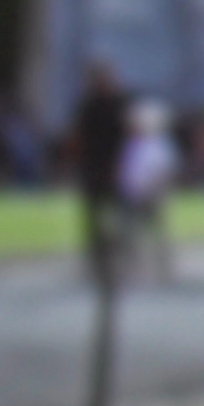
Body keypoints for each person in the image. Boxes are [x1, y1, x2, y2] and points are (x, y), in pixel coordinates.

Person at [71, 62, 130, 282]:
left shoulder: (114, 104)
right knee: (96, 215)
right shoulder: (91, 105)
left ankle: (117, 251)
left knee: (117, 213)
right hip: (95, 168)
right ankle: (99, 255)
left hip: (110, 168)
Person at [117, 99, 179, 282]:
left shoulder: (158, 144)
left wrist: (153, 189)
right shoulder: (132, 144)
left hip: (153, 195)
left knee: (158, 233)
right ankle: (134, 268)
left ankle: (164, 268)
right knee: (131, 234)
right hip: (132, 196)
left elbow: (164, 170)